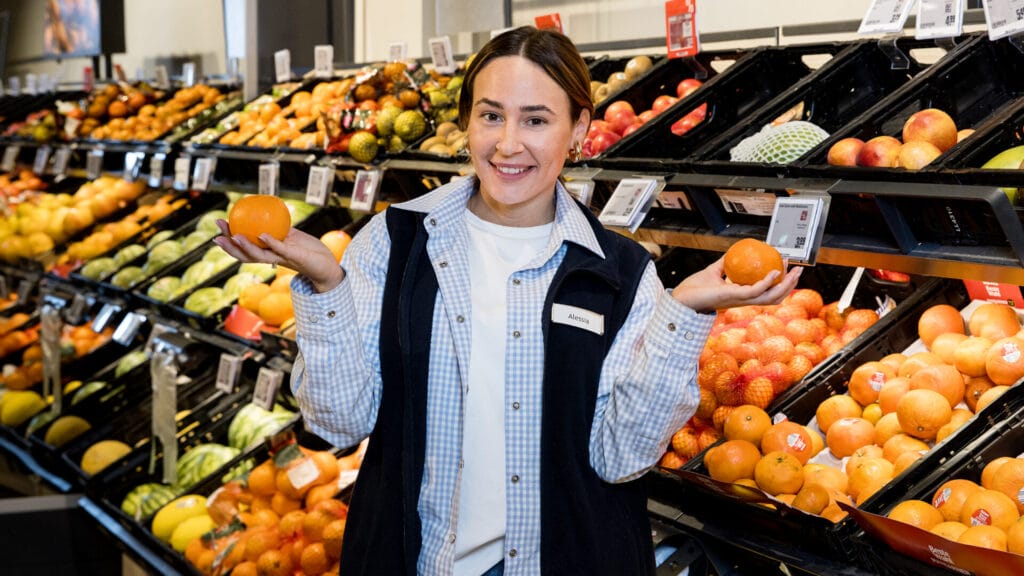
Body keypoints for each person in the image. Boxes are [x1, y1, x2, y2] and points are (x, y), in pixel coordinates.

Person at [215, 26, 800, 576]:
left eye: (537, 119)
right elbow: (338, 421)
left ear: (577, 130)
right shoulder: (394, 243)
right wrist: (327, 286)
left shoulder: (618, 272)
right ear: (467, 122)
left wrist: (686, 310)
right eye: (490, 115)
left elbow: (621, 458)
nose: (508, 143)